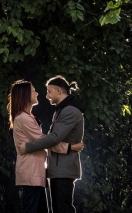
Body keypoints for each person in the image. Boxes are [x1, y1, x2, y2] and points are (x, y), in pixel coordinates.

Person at [8, 80, 84, 213]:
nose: (39, 94)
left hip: (36, 174)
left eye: (49, 91)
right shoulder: (24, 118)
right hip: (32, 174)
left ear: (58, 91)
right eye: (33, 90)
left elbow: (49, 140)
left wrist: (29, 147)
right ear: (25, 95)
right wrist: (70, 147)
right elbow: (46, 140)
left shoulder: (29, 117)